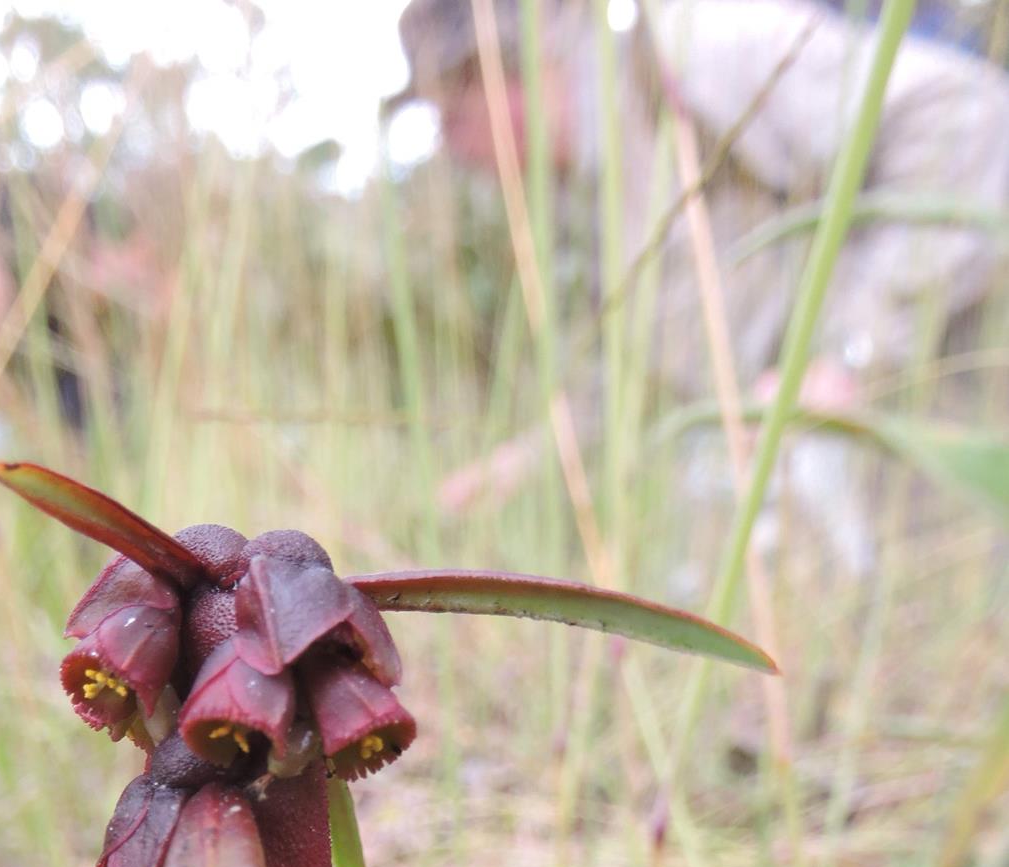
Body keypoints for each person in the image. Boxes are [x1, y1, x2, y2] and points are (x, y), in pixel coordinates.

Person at [393, 0, 1009, 559]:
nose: (452, 148)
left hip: (950, 423)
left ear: (499, 74)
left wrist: (847, 358)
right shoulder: (582, 203)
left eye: (449, 115)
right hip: (832, 490)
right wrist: (518, 465)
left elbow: (967, 122)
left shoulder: (699, 54)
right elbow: (632, 379)